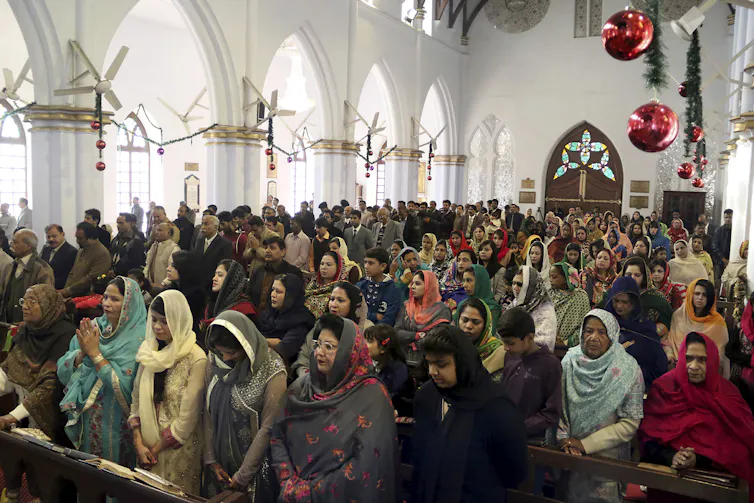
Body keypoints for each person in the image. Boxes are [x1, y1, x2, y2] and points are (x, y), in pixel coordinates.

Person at [270, 314, 399, 502]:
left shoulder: (371, 396)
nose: (319, 353)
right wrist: (287, 480)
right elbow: (277, 433)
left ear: (350, 352)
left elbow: (367, 465)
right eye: (318, 344)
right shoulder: (302, 387)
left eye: (329, 347)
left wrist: (310, 492)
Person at [412, 324, 528, 503]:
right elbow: (420, 455)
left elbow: (514, 472)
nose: (432, 372)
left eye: (441, 364)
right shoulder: (427, 396)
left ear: (462, 361)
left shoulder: (496, 408)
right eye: (429, 362)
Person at [640, 332, 754, 503]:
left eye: (702, 360)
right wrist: (672, 456)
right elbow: (648, 440)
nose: (693, 366)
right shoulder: (664, 389)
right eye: (688, 358)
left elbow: (740, 449)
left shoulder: (729, 395)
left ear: (714, 361)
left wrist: (699, 458)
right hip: (668, 483)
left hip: (713, 486)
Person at [57, 277, 147, 464]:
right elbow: (63, 367)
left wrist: (95, 354)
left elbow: (127, 388)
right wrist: (82, 354)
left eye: (115, 299)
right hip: (88, 416)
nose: (106, 303)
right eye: (105, 297)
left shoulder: (140, 339)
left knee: (115, 475)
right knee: (89, 473)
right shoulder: (94, 327)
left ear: (129, 303)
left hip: (119, 421)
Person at [558, 309, 644, 503]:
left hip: (606, 464)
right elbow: (558, 405)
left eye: (601, 332)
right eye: (588, 331)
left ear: (612, 336)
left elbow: (630, 424)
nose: (593, 337)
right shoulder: (569, 362)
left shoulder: (628, 369)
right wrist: (563, 438)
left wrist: (586, 444)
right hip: (570, 458)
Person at [0, 285, 75, 501]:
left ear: (49, 305)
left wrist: (12, 416)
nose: (26, 306)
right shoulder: (26, 330)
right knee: (12, 454)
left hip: (49, 416)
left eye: (33, 301)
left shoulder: (65, 335)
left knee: (42, 469)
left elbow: (49, 386)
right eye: (24, 300)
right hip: (20, 410)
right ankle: (12, 493)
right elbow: (9, 370)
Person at [203, 311, 287, 499]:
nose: (225, 358)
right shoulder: (215, 359)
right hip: (218, 465)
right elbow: (207, 410)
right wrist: (211, 460)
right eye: (221, 351)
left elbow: (268, 426)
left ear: (246, 345)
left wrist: (243, 475)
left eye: (231, 352)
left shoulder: (271, 369)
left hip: (252, 471)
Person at [129, 292, 206, 493]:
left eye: (164, 321)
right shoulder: (148, 351)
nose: (156, 327)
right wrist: (138, 443)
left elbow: (188, 418)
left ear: (178, 319)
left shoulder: (196, 358)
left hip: (177, 450)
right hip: (145, 446)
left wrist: (154, 450)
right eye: (153, 319)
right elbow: (136, 400)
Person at [499, 306, 562, 439]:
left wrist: (519, 428)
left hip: (529, 439)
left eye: (510, 343)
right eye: (503, 342)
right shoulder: (510, 356)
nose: (505, 348)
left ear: (529, 338)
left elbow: (551, 413)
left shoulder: (550, 365)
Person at [292, 282, 374, 377]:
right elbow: (304, 358)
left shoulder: (366, 330)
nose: (333, 305)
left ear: (353, 304)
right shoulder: (322, 324)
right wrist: (310, 380)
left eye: (340, 300)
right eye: (332, 299)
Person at [604, 277, 668, 387]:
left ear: (634, 303)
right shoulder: (605, 324)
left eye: (624, 302)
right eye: (616, 301)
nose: (619, 306)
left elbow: (658, 363)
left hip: (637, 383)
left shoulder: (645, 329)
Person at [665, 279, 730, 377]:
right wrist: (670, 354)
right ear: (690, 294)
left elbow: (720, 352)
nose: (700, 298)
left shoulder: (717, 322)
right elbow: (670, 340)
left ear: (710, 298)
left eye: (705, 295)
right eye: (697, 293)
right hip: (677, 365)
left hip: (705, 369)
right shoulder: (678, 316)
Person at [396, 270, 453, 369]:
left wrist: (409, 339)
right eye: (412, 283)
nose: (412, 287)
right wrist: (417, 336)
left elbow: (436, 340)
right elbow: (396, 332)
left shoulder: (441, 310)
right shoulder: (407, 306)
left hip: (430, 363)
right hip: (403, 361)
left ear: (429, 286)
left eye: (417, 284)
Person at [257, 274, 315, 365]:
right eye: (273, 290)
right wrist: (272, 342)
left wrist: (258, 339)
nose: (273, 295)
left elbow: (284, 349)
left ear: (290, 296)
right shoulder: (270, 313)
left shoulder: (301, 320)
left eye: (278, 292)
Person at [1, 230, 54, 324]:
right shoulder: (11, 266)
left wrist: (28, 324)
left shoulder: (42, 269)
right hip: (8, 324)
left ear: (28, 246)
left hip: (29, 328)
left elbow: (46, 303)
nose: (11, 244)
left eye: (15, 242)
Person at [363, 324, 413, 416]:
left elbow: (391, 398)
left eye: (369, 341)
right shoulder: (367, 365)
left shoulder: (398, 369)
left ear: (383, 348)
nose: (364, 344)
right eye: (364, 340)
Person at [455, 297, 506, 381]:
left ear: (486, 325)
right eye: (464, 320)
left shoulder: (499, 352)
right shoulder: (451, 348)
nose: (468, 326)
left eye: (476, 322)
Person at [248, 236, 304, 312]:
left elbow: (295, 301)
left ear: (283, 252)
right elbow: (249, 295)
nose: (267, 251)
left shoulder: (292, 273)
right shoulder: (258, 270)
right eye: (266, 248)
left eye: (272, 248)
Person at [509, 265, 556, 351]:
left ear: (531, 286)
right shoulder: (516, 303)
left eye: (520, 284)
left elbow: (544, 343)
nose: (515, 288)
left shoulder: (545, 310)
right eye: (513, 283)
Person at [164, 250, 206, 342]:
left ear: (184, 268)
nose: (168, 268)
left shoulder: (196, 294)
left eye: (173, 266)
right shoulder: (171, 289)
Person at [203, 259, 256, 331]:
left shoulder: (244, 310)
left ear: (231, 279)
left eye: (220, 275)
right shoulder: (212, 303)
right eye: (215, 274)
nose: (214, 278)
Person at [549, 262, 591, 347]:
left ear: (566, 278)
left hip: (571, 347)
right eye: (549, 276)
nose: (550, 280)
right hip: (547, 342)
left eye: (554, 277)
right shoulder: (548, 294)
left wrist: (566, 342)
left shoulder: (580, 297)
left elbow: (585, 325)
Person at [356, 247, 401, 327]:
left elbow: (389, 319)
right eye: (365, 262)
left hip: (380, 333)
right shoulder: (360, 285)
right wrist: (375, 316)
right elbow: (355, 312)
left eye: (371, 263)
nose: (366, 266)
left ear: (383, 266)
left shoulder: (393, 290)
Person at [193, 215, 232, 292]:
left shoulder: (225, 244)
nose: (202, 227)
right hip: (198, 283)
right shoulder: (200, 241)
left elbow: (223, 266)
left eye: (206, 224)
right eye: (202, 224)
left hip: (213, 283)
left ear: (215, 227)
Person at [461, 264, 502, 334]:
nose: (464, 285)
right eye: (464, 280)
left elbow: (489, 336)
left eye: (469, 280)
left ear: (480, 282)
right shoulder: (462, 304)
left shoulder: (492, 310)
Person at [40, 225, 78, 290]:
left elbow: (69, 276)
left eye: (54, 236)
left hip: (60, 290)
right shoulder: (46, 249)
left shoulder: (72, 252)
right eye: (48, 237)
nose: (51, 239)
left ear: (62, 234)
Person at [144, 222, 180, 287]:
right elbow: (148, 264)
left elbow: (173, 271)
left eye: (160, 230)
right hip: (150, 285)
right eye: (156, 230)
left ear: (168, 233)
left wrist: (163, 284)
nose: (156, 232)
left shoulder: (174, 248)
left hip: (164, 287)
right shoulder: (154, 245)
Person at [713, 209, 733, 273]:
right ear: (724, 218)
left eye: (730, 217)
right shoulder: (718, 230)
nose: (728, 219)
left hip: (733, 259)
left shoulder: (735, 230)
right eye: (726, 217)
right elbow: (714, 246)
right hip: (720, 261)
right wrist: (723, 259)